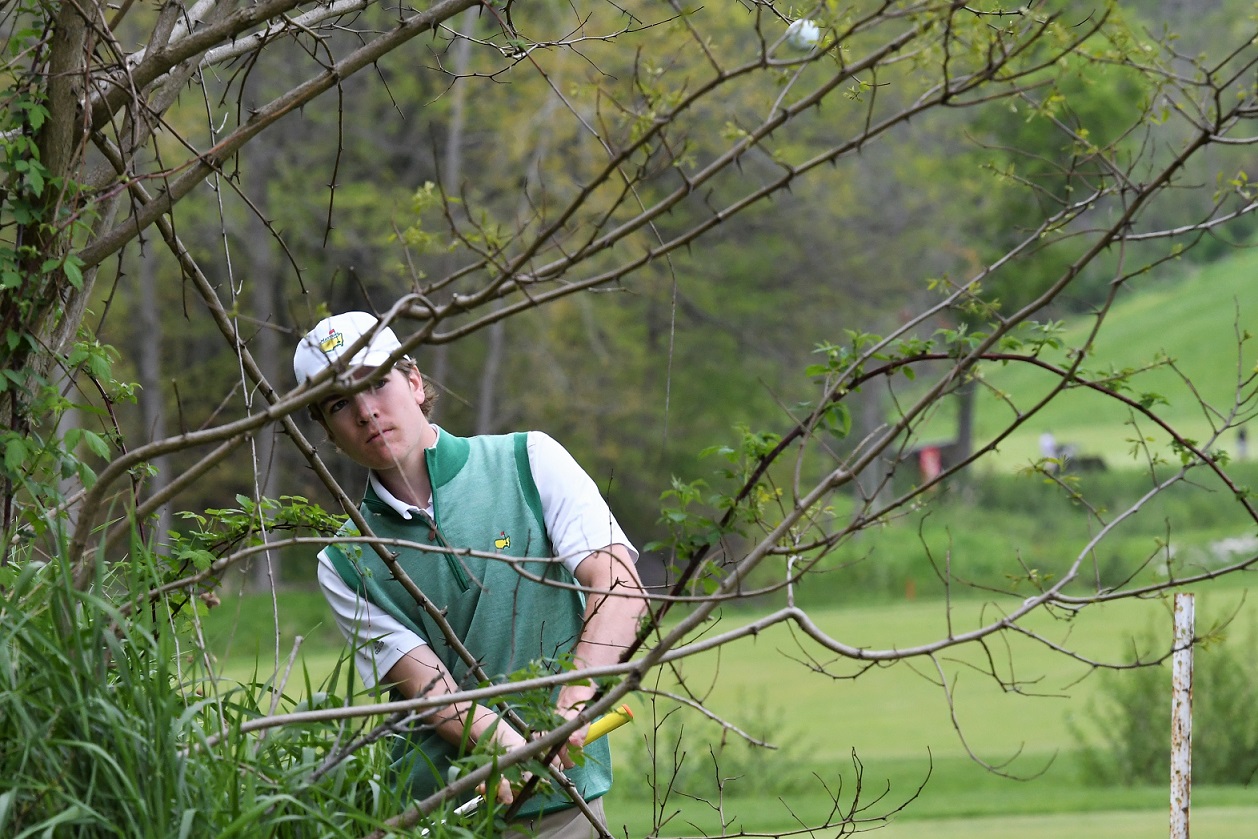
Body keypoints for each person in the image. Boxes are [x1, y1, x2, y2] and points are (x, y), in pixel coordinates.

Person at [293, 311, 646, 838]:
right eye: (340, 403)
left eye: (377, 383)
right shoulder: (345, 561)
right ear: (325, 429)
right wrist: (514, 748)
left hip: (563, 805)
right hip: (440, 816)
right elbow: (433, 694)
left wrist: (567, 713)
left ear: (413, 381)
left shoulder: (530, 460)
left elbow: (619, 587)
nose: (366, 412)